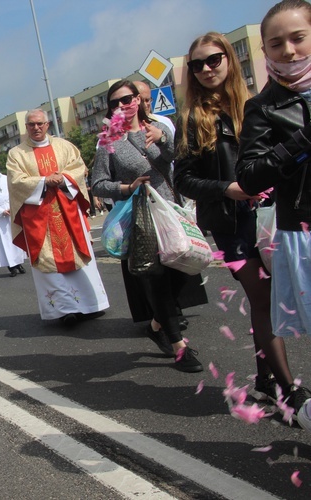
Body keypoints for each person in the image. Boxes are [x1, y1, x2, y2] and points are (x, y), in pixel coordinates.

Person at [174, 31, 304, 406]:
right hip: (228, 223)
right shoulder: (192, 117)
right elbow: (183, 177)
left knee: (270, 297)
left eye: (213, 59)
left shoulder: (259, 104)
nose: (205, 69)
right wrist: (227, 188)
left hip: (272, 217)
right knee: (263, 298)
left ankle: (265, 378)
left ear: (229, 59)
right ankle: (287, 390)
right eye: (196, 65)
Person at [91, 83, 204, 373]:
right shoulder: (108, 141)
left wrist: (163, 140)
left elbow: (177, 161)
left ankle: (156, 324)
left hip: (171, 210)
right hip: (142, 217)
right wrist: (126, 187)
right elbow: (98, 184)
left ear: (139, 100)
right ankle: (179, 347)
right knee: (158, 279)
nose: (122, 106)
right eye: (114, 103)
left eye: (127, 99)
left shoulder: (157, 129)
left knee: (183, 270)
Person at [235, 0, 311, 413]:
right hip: (304, 230)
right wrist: (302, 141)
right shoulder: (263, 108)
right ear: (265, 51)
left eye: (298, 38)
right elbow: (249, 176)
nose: (290, 50)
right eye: (277, 43)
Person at [8, 109, 109, 327]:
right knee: (48, 263)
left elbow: (79, 168)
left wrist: (62, 178)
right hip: (39, 218)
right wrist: (45, 181)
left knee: (79, 257)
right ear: (26, 127)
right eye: (31, 125)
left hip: (67, 211)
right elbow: (17, 182)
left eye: (40, 123)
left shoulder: (64, 146)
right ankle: (64, 310)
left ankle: (91, 305)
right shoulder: (17, 154)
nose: (36, 128)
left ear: (48, 124)